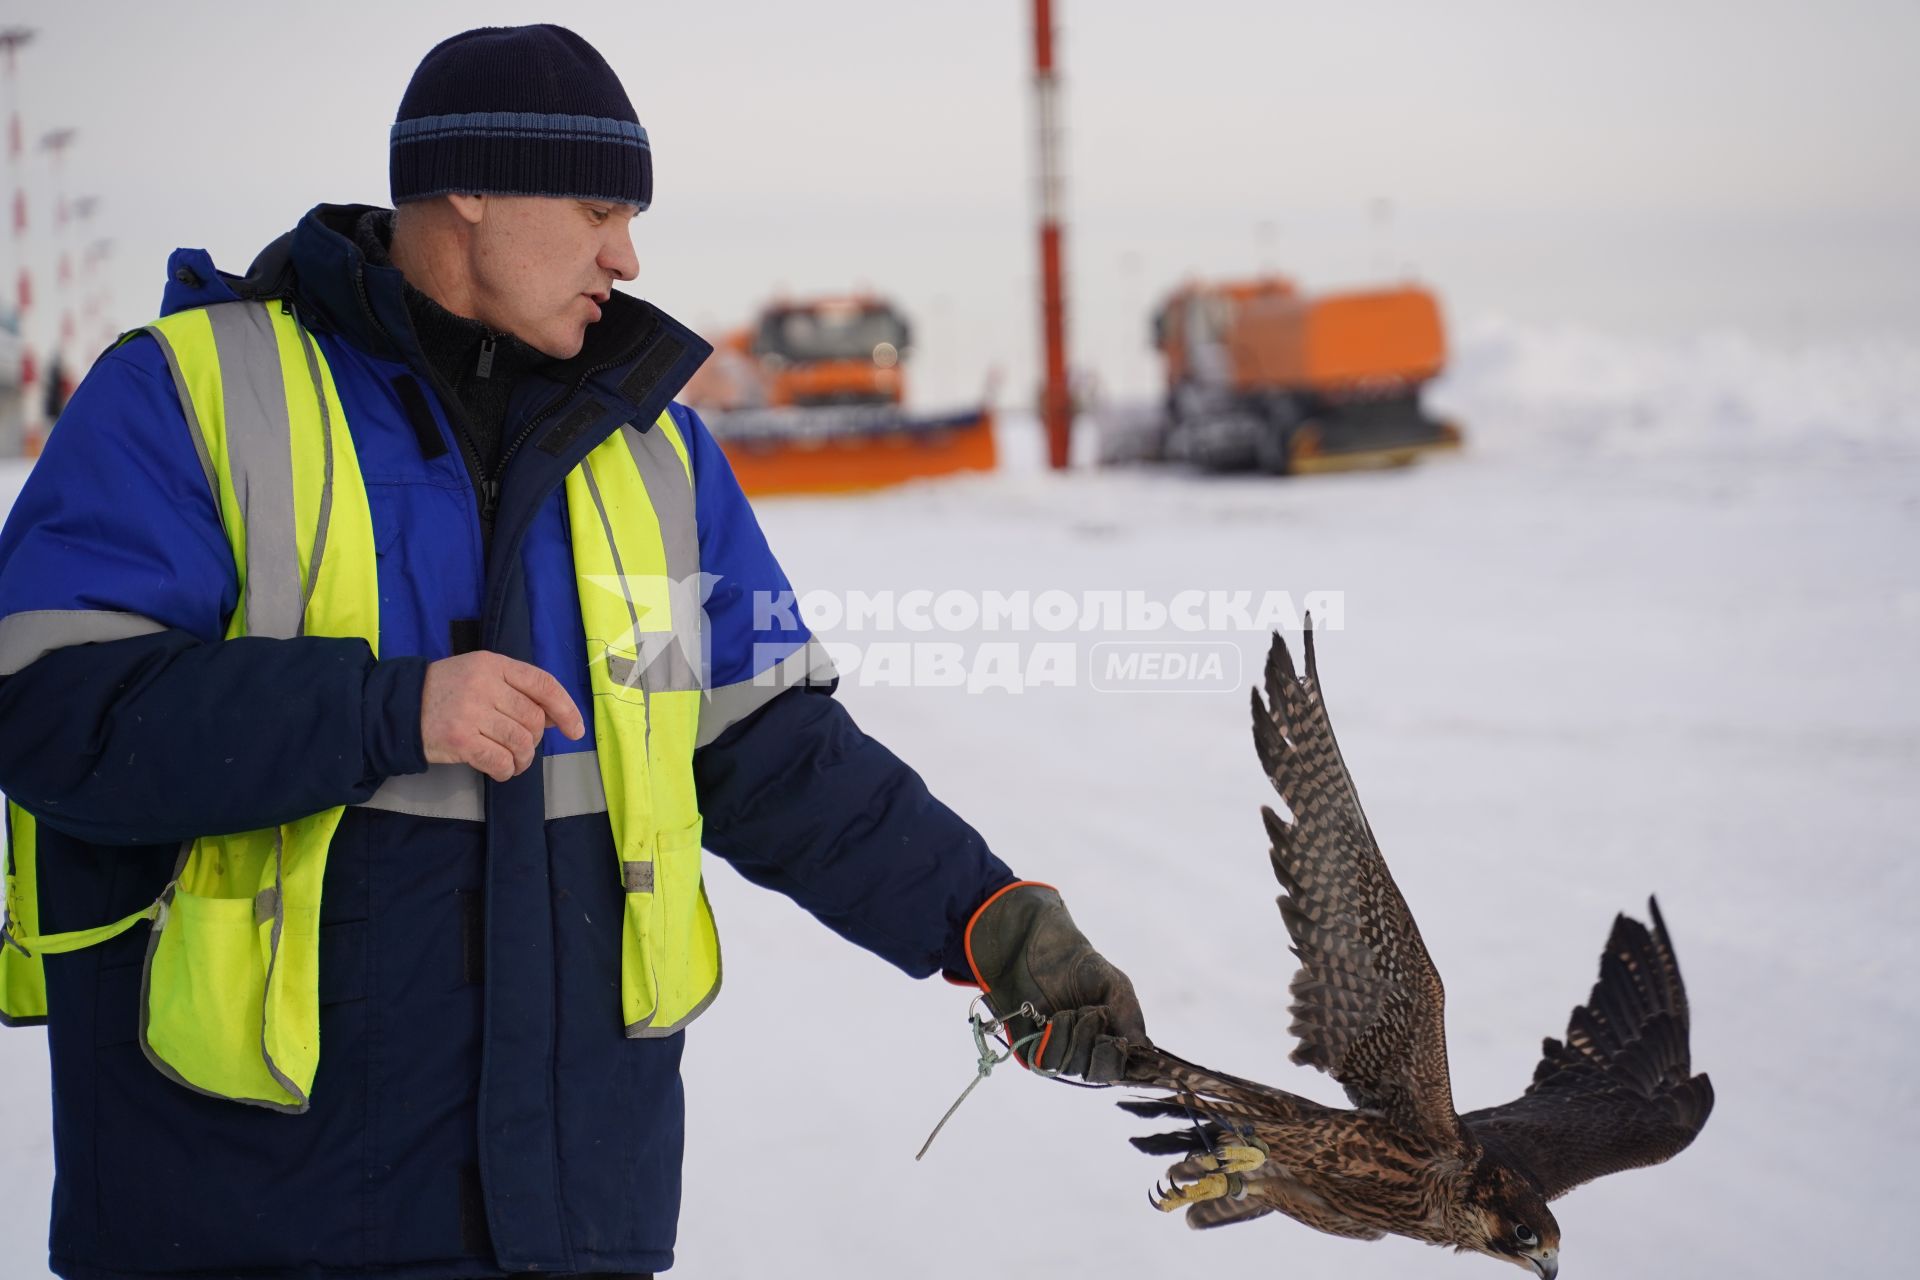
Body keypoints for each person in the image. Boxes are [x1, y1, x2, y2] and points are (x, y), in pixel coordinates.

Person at [0, 25, 1145, 1280]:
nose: (629, 253)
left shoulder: (661, 454)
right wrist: (387, 709)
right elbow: (53, 710)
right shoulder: (190, 392)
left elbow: (771, 743)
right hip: (242, 1216)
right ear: (470, 187)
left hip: (566, 1218)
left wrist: (983, 915)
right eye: (599, 207)